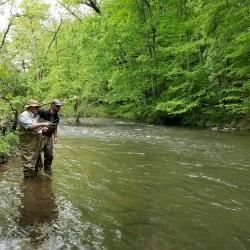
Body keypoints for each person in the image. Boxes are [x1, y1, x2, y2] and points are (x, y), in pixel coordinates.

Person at [18, 100, 50, 178]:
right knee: (28, 158)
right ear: (29, 107)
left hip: (34, 140)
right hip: (28, 141)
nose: (37, 108)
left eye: (38, 106)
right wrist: (43, 124)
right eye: (36, 106)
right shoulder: (24, 115)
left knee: (35, 157)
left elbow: (35, 126)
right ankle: (28, 181)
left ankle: (33, 176)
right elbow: (30, 127)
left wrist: (42, 128)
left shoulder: (33, 115)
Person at [38, 99, 62, 170]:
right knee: (37, 153)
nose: (59, 108)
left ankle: (47, 170)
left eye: (59, 106)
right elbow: (33, 118)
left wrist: (55, 137)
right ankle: (36, 169)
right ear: (52, 106)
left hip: (49, 136)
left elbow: (55, 127)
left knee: (49, 155)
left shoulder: (57, 117)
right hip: (39, 135)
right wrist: (41, 126)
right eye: (57, 106)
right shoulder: (42, 111)